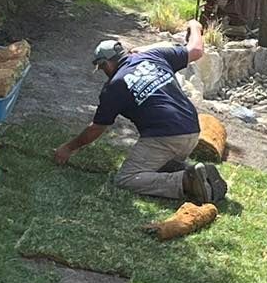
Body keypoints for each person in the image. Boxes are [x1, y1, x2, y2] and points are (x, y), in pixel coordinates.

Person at [54, 20, 228, 203]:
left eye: (102, 68)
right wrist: (195, 27)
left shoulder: (114, 87)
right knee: (156, 166)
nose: (104, 72)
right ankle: (196, 173)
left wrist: (68, 148)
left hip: (166, 137)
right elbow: (196, 51)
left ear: (106, 64)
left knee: (127, 178)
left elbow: (97, 128)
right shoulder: (153, 55)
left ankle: (185, 181)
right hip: (192, 129)